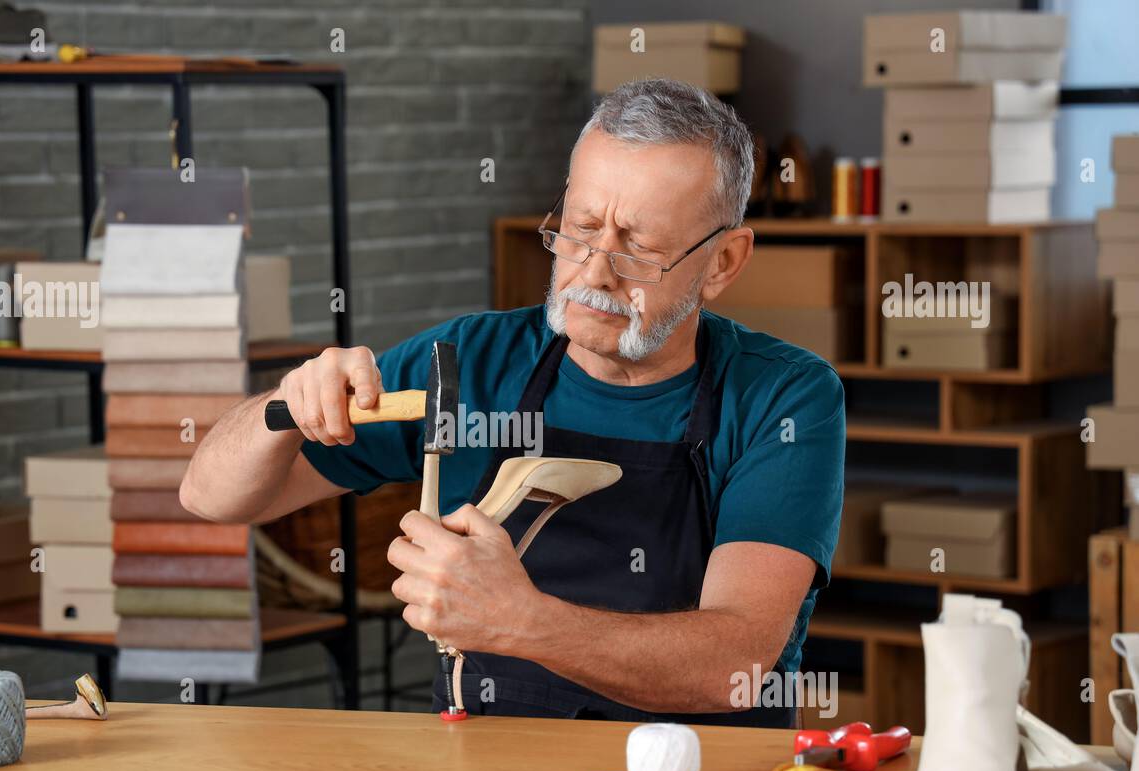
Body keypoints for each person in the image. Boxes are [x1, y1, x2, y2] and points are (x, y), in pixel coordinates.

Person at [180, 78, 846, 727]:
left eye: (640, 250)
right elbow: (210, 498)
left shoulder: (783, 398)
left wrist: (520, 622)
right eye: (581, 229)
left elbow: (733, 665)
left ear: (724, 262)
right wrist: (285, 409)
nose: (594, 273)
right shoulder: (468, 363)